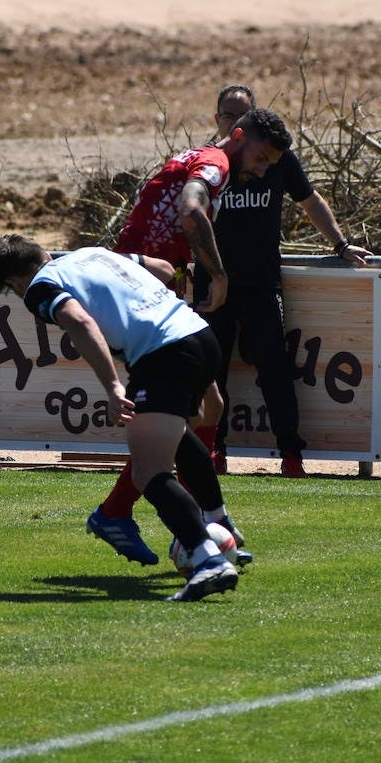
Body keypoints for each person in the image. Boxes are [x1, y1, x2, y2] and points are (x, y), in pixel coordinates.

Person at [84, 107, 294, 565]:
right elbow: (191, 211)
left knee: (208, 406)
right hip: (141, 296)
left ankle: (178, 513)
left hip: (151, 287)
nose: (260, 171)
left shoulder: (202, 157)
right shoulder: (216, 165)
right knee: (171, 422)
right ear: (237, 136)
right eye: (260, 159)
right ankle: (124, 513)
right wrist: (219, 276)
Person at [0, 234, 242, 600]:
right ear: (46, 253)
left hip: (163, 353)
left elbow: (80, 322)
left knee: (150, 470)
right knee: (178, 435)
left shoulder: (40, 287)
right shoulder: (90, 253)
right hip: (198, 333)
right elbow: (166, 269)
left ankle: (208, 560)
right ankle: (219, 523)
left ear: (15, 282)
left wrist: (113, 386)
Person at [195, 84, 373, 478]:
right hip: (212, 288)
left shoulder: (276, 158)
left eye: (243, 115)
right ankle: (213, 454)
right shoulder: (207, 164)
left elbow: (309, 200)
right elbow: (185, 217)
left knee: (275, 369)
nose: (235, 123)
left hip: (262, 286)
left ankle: (291, 457)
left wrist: (341, 245)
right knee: (211, 372)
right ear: (218, 119)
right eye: (228, 115)